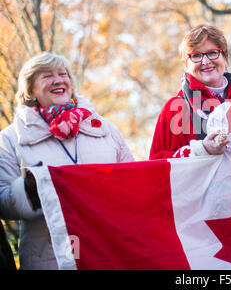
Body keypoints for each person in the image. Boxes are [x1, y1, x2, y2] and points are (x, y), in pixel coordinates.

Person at [0, 52, 134, 269]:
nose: (58, 80)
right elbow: (2, 202)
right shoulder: (11, 138)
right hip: (51, 258)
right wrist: (30, 191)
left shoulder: (103, 128)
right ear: (30, 89)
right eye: (46, 76)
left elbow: (132, 180)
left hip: (109, 250)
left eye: (63, 74)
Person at [150, 23, 231, 159]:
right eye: (196, 55)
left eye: (212, 53)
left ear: (225, 58)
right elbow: (158, 165)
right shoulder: (175, 108)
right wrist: (202, 149)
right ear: (186, 65)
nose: (205, 61)